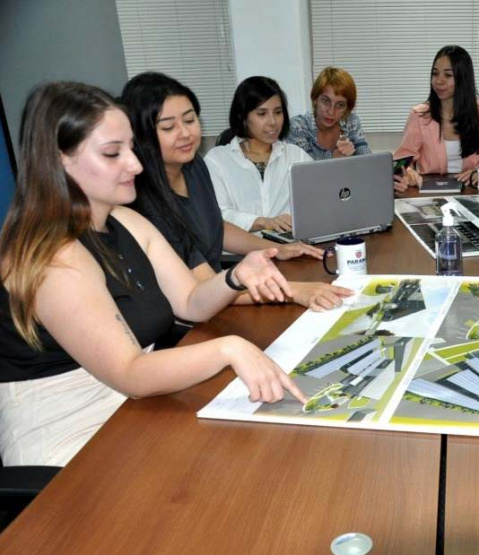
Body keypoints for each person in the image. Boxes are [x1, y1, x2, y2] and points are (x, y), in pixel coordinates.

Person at [0, 82, 309, 467]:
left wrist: (236, 276)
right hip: (69, 433)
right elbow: (129, 372)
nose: (135, 164)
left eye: (131, 147)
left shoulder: (125, 219)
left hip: (132, 406)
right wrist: (229, 348)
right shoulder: (53, 257)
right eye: (113, 153)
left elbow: (191, 303)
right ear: (59, 160)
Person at [121, 72, 351, 311]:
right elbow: (196, 294)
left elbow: (216, 226)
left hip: (218, 290)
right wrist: (290, 290)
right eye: (168, 127)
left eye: (190, 121)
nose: (186, 133)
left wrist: (278, 249)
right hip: (185, 313)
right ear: (140, 134)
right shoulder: (144, 201)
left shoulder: (193, 166)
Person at [205, 76, 310, 233]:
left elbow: (318, 201)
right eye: (262, 114)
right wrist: (264, 222)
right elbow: (217, 214)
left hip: (289, 248)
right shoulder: (217, 160)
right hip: (240, 254)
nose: (273, 122)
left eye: (278, 112)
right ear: (243, 117)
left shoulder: (296, 156)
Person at [393, 45, 479, 192]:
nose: (439, 81)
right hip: (430, 191)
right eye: (435, 74)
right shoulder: (419, 115)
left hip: (470, 190)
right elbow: (402, 162)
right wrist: (410, 173)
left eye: (448, 75)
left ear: (463, 78)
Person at [286, 67, 371, 160]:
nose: (331, 112)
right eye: (326, 101)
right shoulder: (298, 127)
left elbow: (369, 163)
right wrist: (335, 161)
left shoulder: (351, 122)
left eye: (340, 105)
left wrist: (353, 157)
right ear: (315, 100)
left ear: (347, 108)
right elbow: (305, 171)